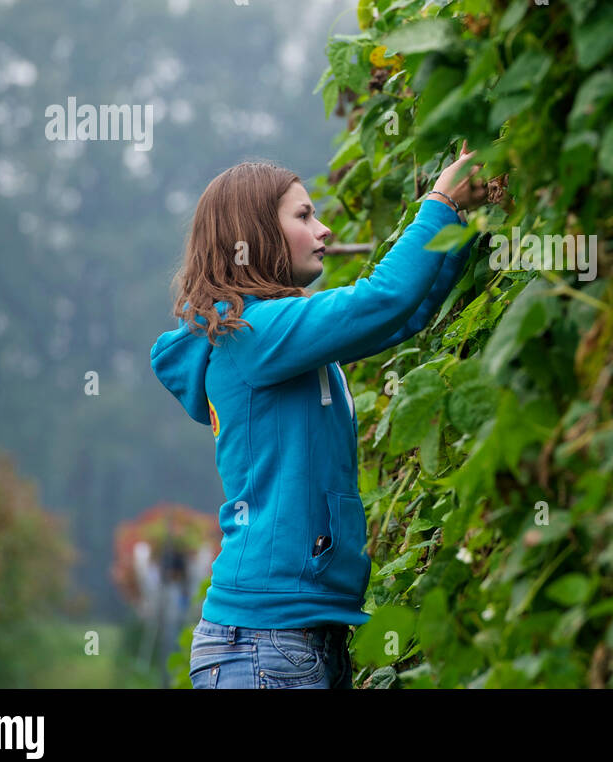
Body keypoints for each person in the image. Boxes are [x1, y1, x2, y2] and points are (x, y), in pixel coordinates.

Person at [150, 143, 488, 688]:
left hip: (287, 639)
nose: (324, 229)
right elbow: (382, 299)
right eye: (304, 216)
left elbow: (402, 316)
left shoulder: (267, 338)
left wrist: (459, 225)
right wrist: (439, 202)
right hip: (267, 644)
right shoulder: (254, 336)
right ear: (255, 236)